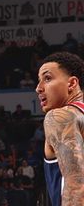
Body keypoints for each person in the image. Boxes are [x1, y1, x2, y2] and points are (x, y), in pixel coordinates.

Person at [36, 51, 84, 205]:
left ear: (71, 83)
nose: (38, 88)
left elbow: (76, 185)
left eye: (47, 78)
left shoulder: (60, 117)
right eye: (39, 81)